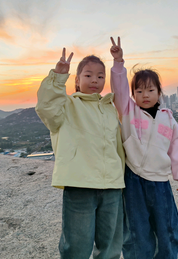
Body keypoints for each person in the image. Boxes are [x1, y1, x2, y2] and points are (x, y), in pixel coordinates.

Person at [35, 48, 125, 259]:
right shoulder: (67, 105)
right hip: (80, 185)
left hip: (112, 186)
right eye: (88, 75)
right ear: (76, 80)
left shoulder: (110, 109)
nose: (95, 80)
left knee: (110, 245)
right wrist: (58, 78)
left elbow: (117, 146)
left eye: (100, 76)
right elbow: (46, 107)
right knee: (76, 246)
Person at [110, 37, 178, 259]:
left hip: (160, 182)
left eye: (150, 90)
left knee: (167, 228)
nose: (144, 95)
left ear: (159, 92)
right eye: (139, 91)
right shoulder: (128, 111)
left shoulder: (168, 119)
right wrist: (119, 63)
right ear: (133, 94)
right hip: (133, 179)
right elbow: (118, 89)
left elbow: (177, 150)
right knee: (137, 232)